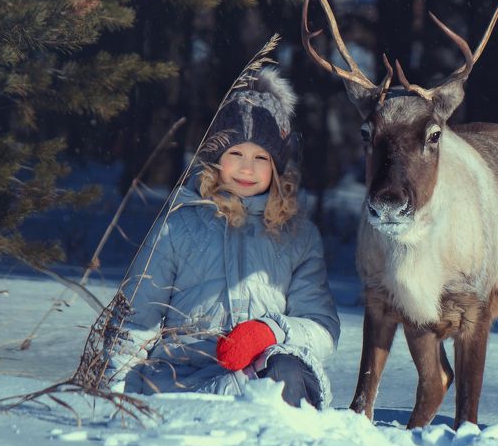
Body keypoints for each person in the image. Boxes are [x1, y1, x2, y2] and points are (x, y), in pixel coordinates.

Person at [104, 67, 339, 408]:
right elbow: (137, 317)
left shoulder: (298, 237)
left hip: (258, 376)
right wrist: (112, 392)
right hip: (181, 384)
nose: (247, 168)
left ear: (277, 167)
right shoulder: (179, 225)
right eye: (236, 155)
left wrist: (270, 331)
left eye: (261, 158)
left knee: (285, 369)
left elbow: (321, 327)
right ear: (216, 159)